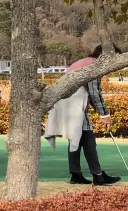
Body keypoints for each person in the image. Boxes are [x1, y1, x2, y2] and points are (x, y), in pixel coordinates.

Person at [51, 46, 121, 185]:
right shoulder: (94, 66)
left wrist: (101, 113)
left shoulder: (85, 61)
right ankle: (98, 175)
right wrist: (104, 114)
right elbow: (95, 93)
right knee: (88, 138)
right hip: (74, 103)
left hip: (65, 102)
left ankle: (76, 175)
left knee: (77, 140)